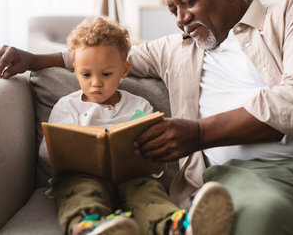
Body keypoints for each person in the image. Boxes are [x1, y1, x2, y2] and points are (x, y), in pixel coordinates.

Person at [0, 0, 293, 235]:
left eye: (188, 2)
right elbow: (107, 55)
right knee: (263, 221)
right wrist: (34, 58)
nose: (180, 18)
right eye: (172, 9)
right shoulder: (175, 49)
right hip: (250, 175)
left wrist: (198, 132)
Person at [34, 16, 234, 235]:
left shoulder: (139, 107)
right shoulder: (68, 106)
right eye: (86, 74)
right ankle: (91, 228)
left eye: (106, 74)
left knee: (147, 192)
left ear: (125, 70)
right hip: (81, 177)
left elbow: (157, 161)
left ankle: (176, 227)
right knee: (78, 192)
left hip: (131, 178)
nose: (96, 83)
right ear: (75, 70)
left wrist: (152, 158)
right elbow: (46, 153)